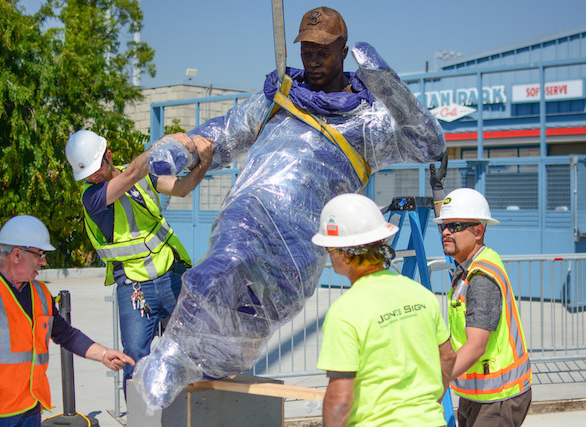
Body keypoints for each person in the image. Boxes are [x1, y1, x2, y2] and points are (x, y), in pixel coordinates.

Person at [133, 6, 447, 410]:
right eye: (307, 51)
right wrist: (183, 149)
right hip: (249, 211)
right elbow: (223, 135)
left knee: (259, 312)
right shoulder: (281, 96)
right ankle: (176, 355)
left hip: (299, 246)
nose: (313, 60)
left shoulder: (369, 121)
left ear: (344, 51)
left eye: (323, 51)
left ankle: (218, 361)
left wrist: (388, 86)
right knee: (216, 271)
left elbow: (430, 143)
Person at [0, 215, 134, 427]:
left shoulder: (40, 293)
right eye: (39, 255)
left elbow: (66, 334)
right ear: (17, 254)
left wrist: (103, 354)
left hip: (30, 409)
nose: (44, 262)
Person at [64, 130, 213, 393]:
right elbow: (133, 173)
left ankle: (189, 415)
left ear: (108, 156)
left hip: (172, 274)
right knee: (135, 357)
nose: (92, 176)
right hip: (135, 288)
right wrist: (164, 144)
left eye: (96, 168)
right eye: (85, 173)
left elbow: (180, 188)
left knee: (189, 350)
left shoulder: (142, 176)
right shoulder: (92, 197)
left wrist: (204, 163)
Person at [311, 193, 456, 426]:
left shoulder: (346, 312)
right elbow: (448, 356)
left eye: (331, 248)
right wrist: (426, 404)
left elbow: (339, 398)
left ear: (345, 256)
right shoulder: (421, 295)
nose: (329, 254)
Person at [430, 187, 532, 426]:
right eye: (442, 226)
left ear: (478, 231)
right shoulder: (468, 264)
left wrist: (431, 382)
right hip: (476, 392)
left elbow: (476, 346)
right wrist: (438, 191)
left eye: (454, 226)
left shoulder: (481, 277)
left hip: (498, 397)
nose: (445, 232)